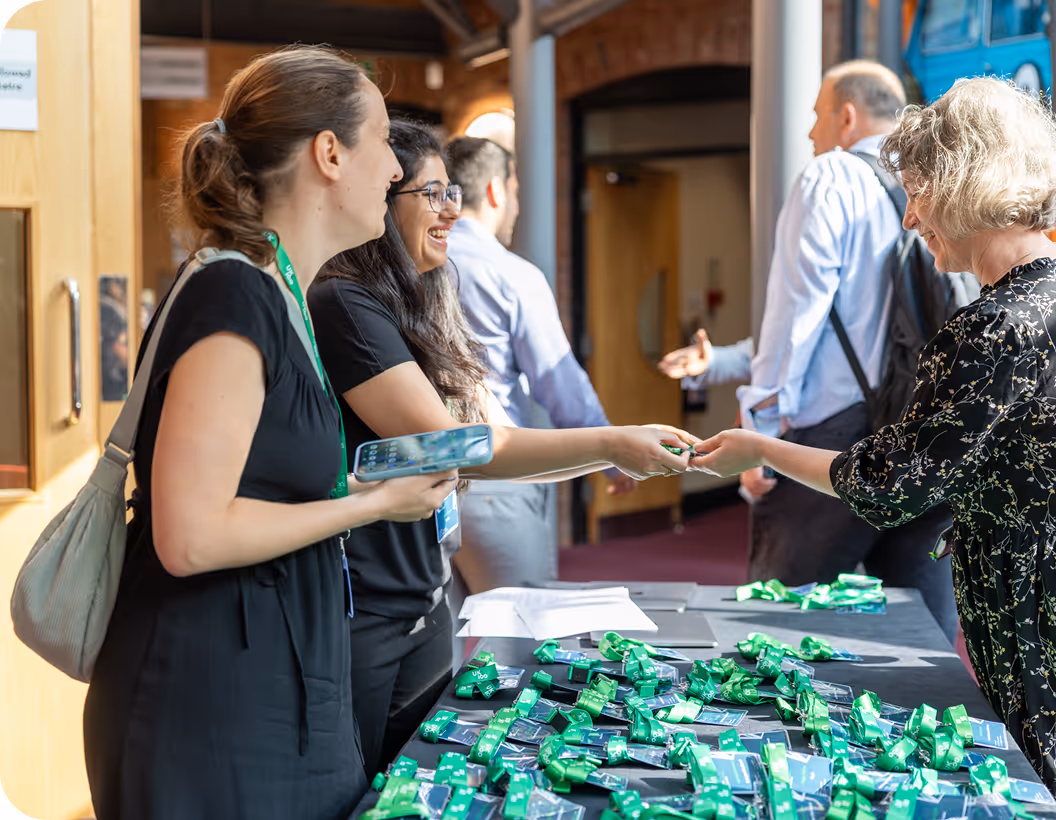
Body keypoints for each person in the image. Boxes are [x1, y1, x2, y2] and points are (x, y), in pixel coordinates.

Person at [690, 77, 1056, 819]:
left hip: (1051, 635)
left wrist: (759, 447)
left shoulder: (994, 329)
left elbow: (886, 484)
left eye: (922, 189)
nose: (912, 213)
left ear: (969, 184)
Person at [83, 47, 459, 820]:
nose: (395, 171)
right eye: (384, 140)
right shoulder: (235, 290)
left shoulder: (281, 290)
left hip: (272, 677)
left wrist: (364, 487)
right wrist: (372, 505)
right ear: (329, 153)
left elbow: (260, 487)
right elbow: (189, 535)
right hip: (209, 699)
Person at [308, 119, 695, 780]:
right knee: (383, 776)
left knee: (422, 770)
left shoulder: (423, 296)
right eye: (432, 194)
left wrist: (611, 448)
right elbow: (458, 445)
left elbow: (481, 436)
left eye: (451, 191)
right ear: (381, 200)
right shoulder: (345, 301)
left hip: (421, 583)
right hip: (368, 603)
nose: (451, 208)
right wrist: (609, 442)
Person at [674, 60, 957, 642]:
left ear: (846, 114)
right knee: (920, 636)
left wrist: (759, 436)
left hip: (833, 437)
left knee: (773, 626)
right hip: (926, 437)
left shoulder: (830, 178)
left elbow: (794, 325)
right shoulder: (936, 183)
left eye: (815, 117)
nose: (809, 133)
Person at [443, 136, 635, 594]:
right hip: (498, 479)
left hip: (429, 485)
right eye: (515, 192)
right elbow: (557, 380)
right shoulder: (511, 273)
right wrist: (609, 455)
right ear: (495, 190)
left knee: (441, 650)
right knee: (521, 638)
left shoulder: (411, 266)